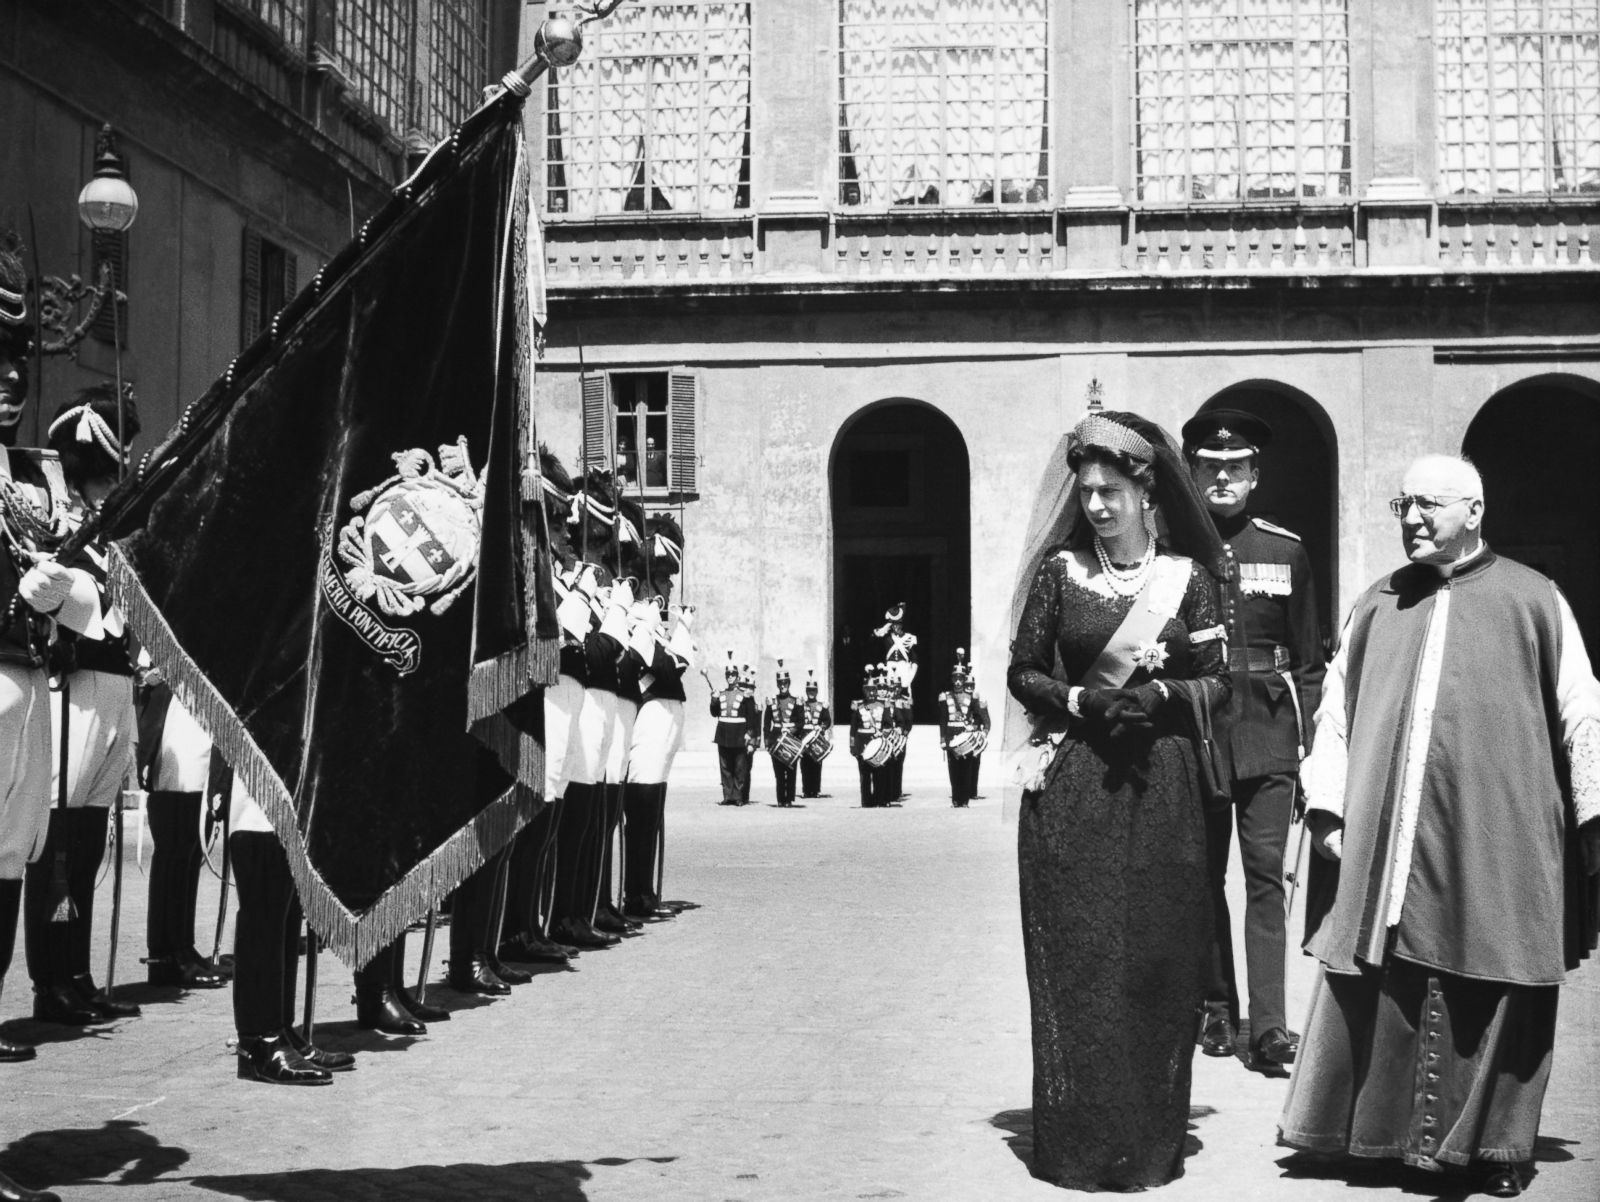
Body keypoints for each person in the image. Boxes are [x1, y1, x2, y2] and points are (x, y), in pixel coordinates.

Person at [1279, 454, 1600, 1200]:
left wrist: (1592, 816)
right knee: (1380, 970)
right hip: (1388, 837)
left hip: (1500, 831)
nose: (1412, 519)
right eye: (1402, 506)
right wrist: (1328, 807)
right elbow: (1336, 715)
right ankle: (1372, 1136)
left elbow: (1582, 711)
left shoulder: (1534, 598)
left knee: (1499, 971)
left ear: (1475, 510)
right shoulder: (1376, 602)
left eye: (1428, 505)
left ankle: (1498, 1146)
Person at [1005, 409, 1229, 1191]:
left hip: (1163, 785)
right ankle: (1079, 1144)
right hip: (1073, 789)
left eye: (1110, 490)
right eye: (1086, 490)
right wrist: (1079, 700)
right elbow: (1023, 669)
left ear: (1145, 489)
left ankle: (1147, 1141)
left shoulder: (1189, 580)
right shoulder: (1061, 574)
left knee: (1156, 961)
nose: (1096, 504)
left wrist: (1164, 692)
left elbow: (1219, 681)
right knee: (1081, 959)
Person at [1181, 408, 1324, 1070]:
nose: (1222, 478)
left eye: (1235, 469)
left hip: (1270, 738)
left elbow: (1309, 662)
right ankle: (1215, 1009)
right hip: (1196, 737)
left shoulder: (1284, 549)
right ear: (1192, 471)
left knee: (1267, 880)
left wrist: (1311, 750)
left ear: (1254, 476)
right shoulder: (1173, 551)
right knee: (1203, 876)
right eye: (1210, 467)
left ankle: (1268, 1026)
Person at [23, 387, 144, 1026]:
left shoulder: (107, 536)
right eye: (102, 471)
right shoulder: (62, 531)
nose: (106, 484)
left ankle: (78, 970)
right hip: (75, 689)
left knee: (92, 839)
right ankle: (49, 979)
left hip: (117, 688)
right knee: (60, 841)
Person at [0, 230, 68, 1202]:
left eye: (18, 363)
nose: (10, 379)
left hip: (24, 688)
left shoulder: (25, 475)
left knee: (5, 882)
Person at [621, 514, 691, 919]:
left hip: (663, 725)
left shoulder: (657, 621)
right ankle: (636, 894)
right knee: (642, 814)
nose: (668, 588)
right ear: (648, 582)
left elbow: (673, 667)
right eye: (663, 581)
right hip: (646, 722)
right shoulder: (635, 616)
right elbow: (655, 670)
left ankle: (644, 891)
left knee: (653, 812)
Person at [138, 687, 229, 990]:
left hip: (209, 696)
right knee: (176, 841)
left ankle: (182, 946)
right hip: (184, 698)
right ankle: (165, 956)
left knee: (192, 843)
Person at [938, 648, 989, 808]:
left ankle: (964, 800)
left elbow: (980, 715)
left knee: (966, 768)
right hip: (952, 733)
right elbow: (943, 720)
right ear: (952, 679)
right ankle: (955, 799)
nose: (958, 681)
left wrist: (976, 729)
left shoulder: (972, 697)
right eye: (956, 678)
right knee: (953, 769)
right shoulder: (944, 697)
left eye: (961, 678)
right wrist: (943, 739)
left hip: (966, 735)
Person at [707, 653, 755, 805]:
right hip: (723, 733)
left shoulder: (744, 694)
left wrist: (749, 733)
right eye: (728, 675)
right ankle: (728, 796)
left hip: (739, 734)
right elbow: (714, 713)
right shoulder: (721, 693)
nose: (730, 677)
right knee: (725, 766)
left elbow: (751, 716)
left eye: (733, 675)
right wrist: (714, 699)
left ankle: (738, 796)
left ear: (737, 676)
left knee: (739, 767)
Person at [849, 665, 893, 808]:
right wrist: (853, 747)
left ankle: (880, 800)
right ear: (864, 691)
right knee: (865, 776)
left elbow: (888, 724)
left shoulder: (883, 704)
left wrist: (883, 733)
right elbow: (853, 729)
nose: (871, 693)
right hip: (862, 744)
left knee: (880, 774)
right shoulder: (858, 706)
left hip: (878, 743)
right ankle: (867, 801)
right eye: (868, 690)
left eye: (873, 690)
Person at [762, 661, 803, 807]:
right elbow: (767, 723)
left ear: (789, 683)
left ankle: (789, 799)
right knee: (778, 772)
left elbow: (801, 722)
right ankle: (780, 799)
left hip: (791, 739)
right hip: (776, 739)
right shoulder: (772, 702)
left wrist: (792, 730)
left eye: (785, 682)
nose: (782, 685)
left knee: (791, 771)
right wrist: (767, 741)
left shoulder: (796, 701)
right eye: (780, 682)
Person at [796, 670, 832, 799]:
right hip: (805, 739)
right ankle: (806, 790)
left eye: (813, 690)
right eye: (809, 690)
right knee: (805, 766)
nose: (811, 693)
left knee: (816, 765)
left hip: (816, 739)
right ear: (806, 691)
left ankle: (816, 790)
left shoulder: (822, 706)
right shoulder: (801, 705)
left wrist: (821, 727)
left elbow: (827, 721)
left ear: (816, 692)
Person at [875, 603, 918, 694]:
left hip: (903, 669)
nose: (895, 627)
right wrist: (888, 624)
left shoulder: (910, 638)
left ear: (901, 625)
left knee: (902, 697)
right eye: (893, 625)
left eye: (897, 624)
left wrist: (911, 674)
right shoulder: (887, 638)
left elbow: (914, 658)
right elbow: (876, 634)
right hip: (889, 669)